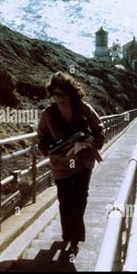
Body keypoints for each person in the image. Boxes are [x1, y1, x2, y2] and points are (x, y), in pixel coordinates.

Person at [37, 72, 105, 254]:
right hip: (61, 164)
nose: (60, 98)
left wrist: (93, 141)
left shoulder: (84, 108)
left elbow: (99, 129)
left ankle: (75, 238)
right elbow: (41, 137)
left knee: (80, 197)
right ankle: (69, 235)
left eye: (63, 94)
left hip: (84, 162)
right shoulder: (48, 114)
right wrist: (53, 149)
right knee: (65, 199)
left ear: (71, 93)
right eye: (56, 95)